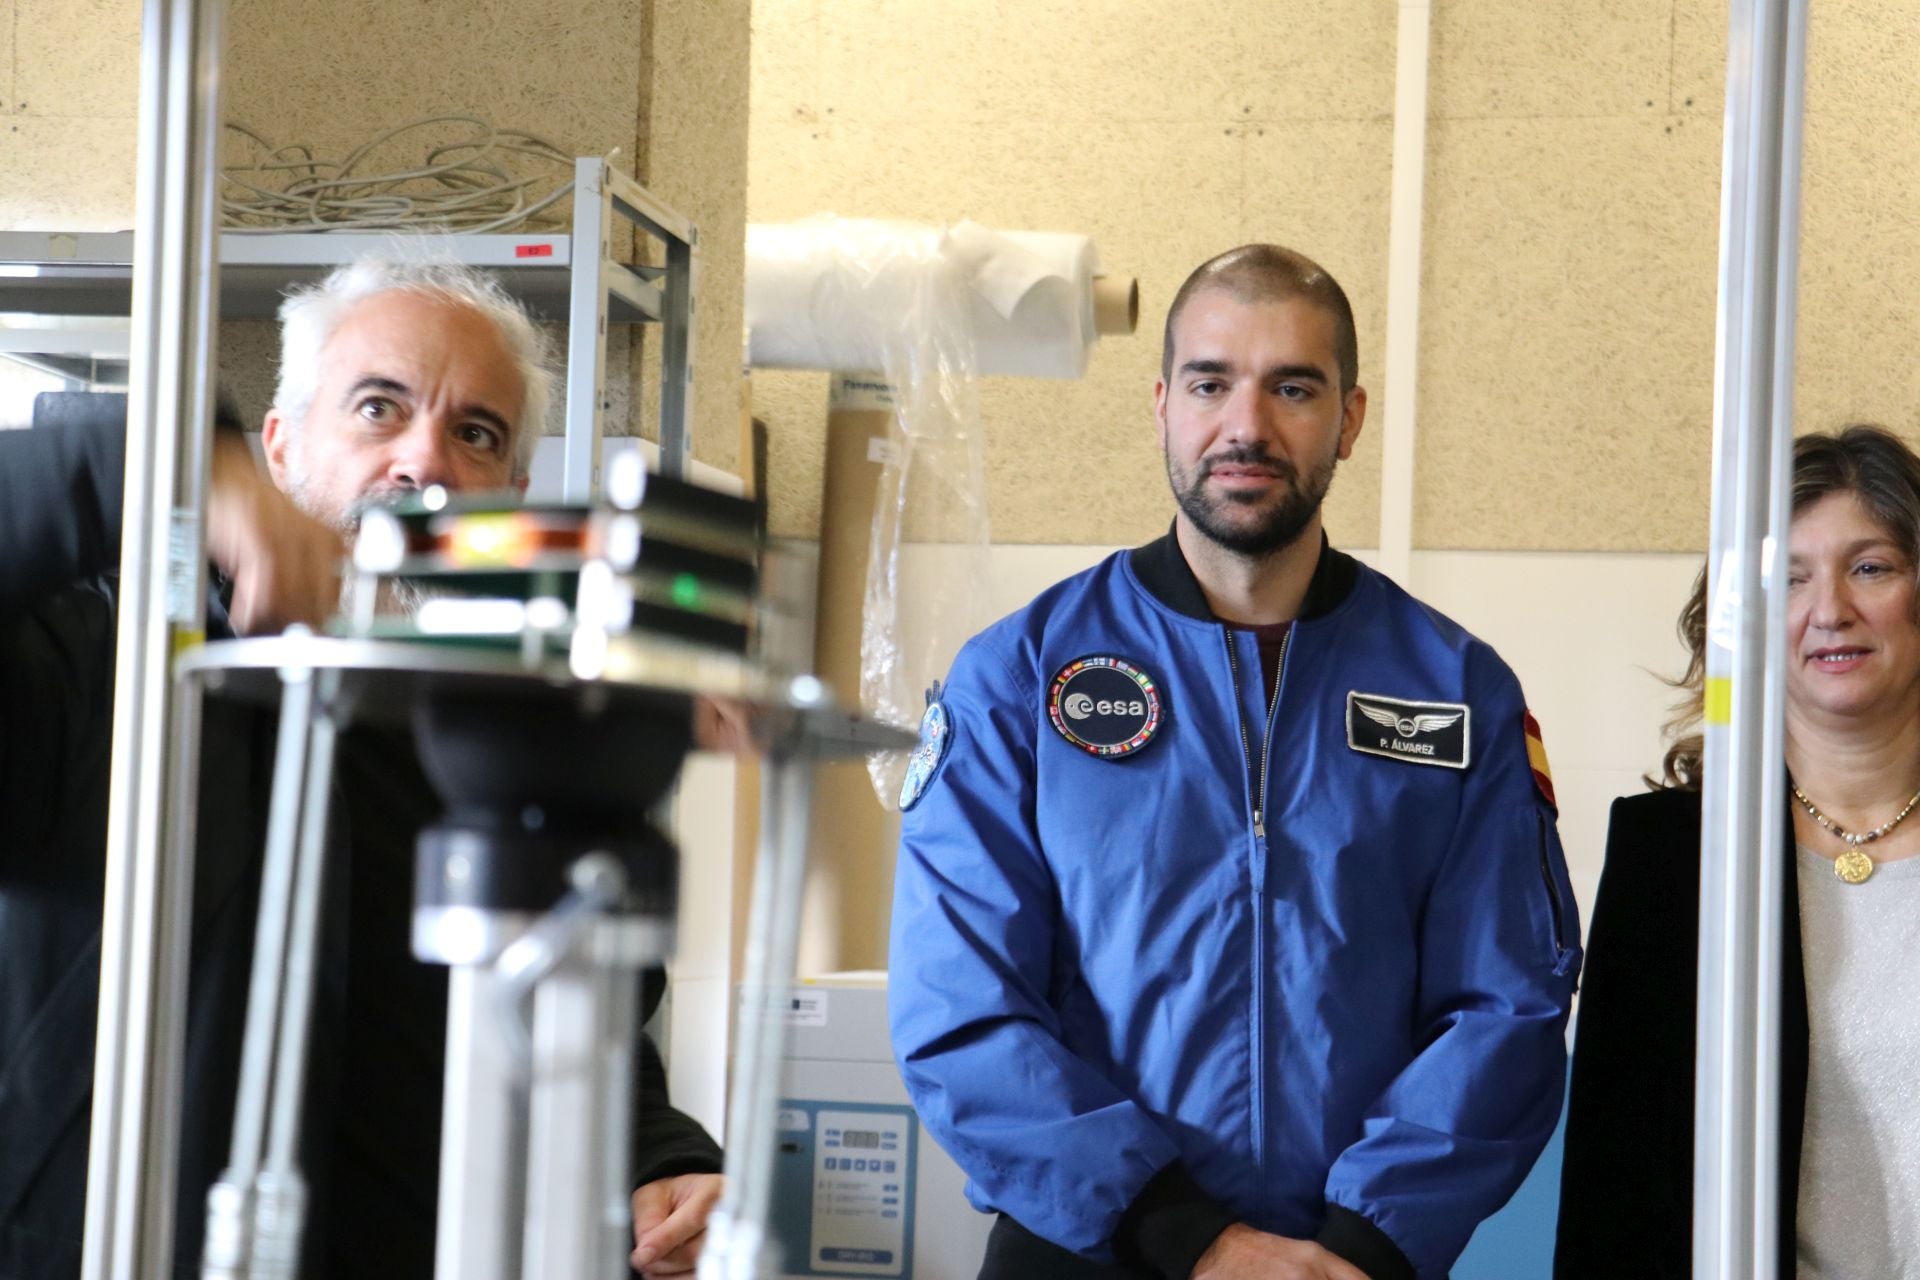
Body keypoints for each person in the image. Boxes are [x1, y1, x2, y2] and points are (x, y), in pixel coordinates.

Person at [0, 258, 722, 1279]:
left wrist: (658, 1159)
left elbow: (569, 1032)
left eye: (477, 433)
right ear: (281, 447)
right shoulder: (103, 668)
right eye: (379, 407)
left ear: (512, 493)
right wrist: (144, 469)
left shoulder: (506, 751)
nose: (425, 463)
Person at [889, 244, 1582, 1280]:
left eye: (1292, 387)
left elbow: (1510, 1001)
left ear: (1348, 418)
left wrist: (1365, 1241)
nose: (1246, 426)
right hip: (1090, 1247)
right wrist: (1187, 1235)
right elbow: (961, 1004)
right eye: (1212, 383)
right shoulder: (1020, 679)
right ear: (1163, 405)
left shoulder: (1455, 688)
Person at [1555, 426, 1920, 1279]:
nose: (1829, 608)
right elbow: (1615, 1198)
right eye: (1787, 579)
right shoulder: (1669, 864)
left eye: (1871, 567)